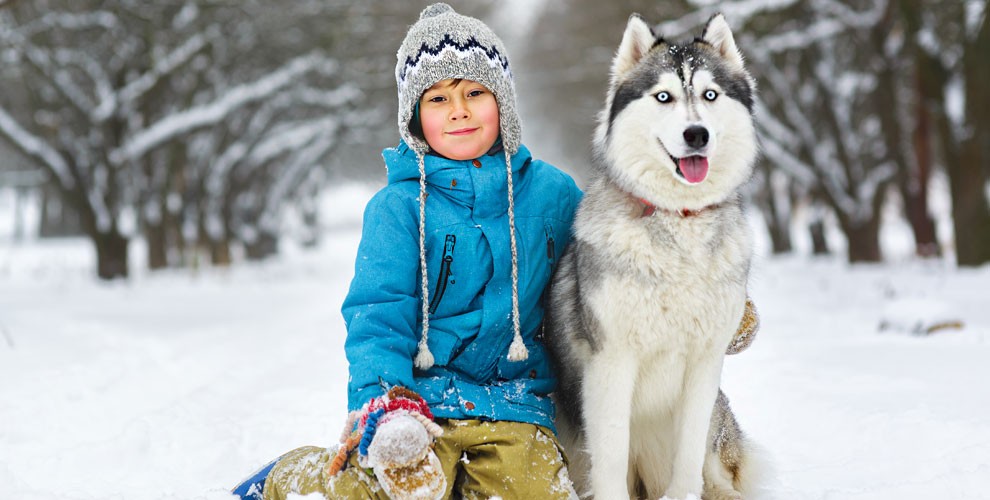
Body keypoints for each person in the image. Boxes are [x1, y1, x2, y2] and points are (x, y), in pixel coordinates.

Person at [232, 3, 583, 499]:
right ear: (415, 117)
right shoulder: (398, 208)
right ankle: (294, 477)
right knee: (375, 490)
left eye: (475, 93)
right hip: (418, 402)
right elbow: (379, 316)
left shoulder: (553, 195)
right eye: (438, 98)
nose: (459, 110)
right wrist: (387, 406)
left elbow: (608, 256)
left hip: (516, 403)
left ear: (502, 101)